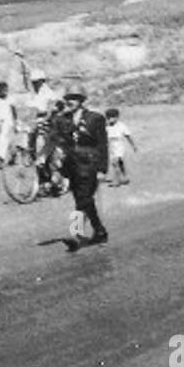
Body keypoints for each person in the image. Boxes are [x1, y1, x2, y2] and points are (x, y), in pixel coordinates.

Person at [58, 85, 109, 250]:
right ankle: (99, 231)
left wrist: (102, 169)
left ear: (81, 100)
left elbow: (103, 145)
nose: (69, 102)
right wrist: (62, 171)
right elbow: (63, 144)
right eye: (67, 98)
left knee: (84, 199)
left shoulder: (95, 118)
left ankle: (76, 235)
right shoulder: (64, 119)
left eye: (73, 98)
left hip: (90, 165)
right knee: (82, 200)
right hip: (73, 166)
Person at [104, 107, 136, 185]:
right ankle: (125, 177)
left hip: (119, 147)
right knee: (120, 163)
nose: (110, 119)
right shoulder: (106, 127)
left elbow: (128, 136)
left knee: (115, 163)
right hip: (110, 147)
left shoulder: (121, 126)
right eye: (108, 117)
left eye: (112, 117)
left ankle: (117, 180)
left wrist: (133, 145)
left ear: (117, 117)